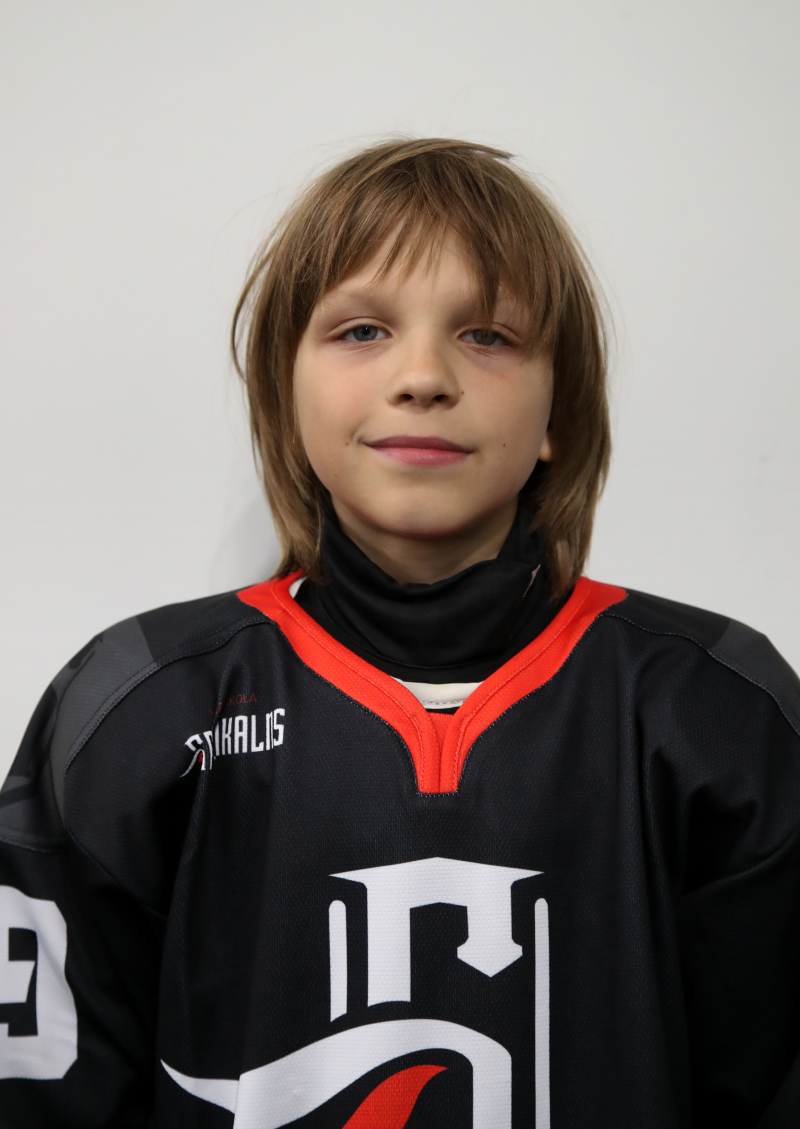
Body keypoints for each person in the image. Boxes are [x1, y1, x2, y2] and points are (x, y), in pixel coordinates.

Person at [0, 137, 798, 1129]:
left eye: (488, 335)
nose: (422, 375)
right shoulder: (137, 703)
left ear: (559, 407)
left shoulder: (716, 708)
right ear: (286, 394)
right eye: (363, 330)